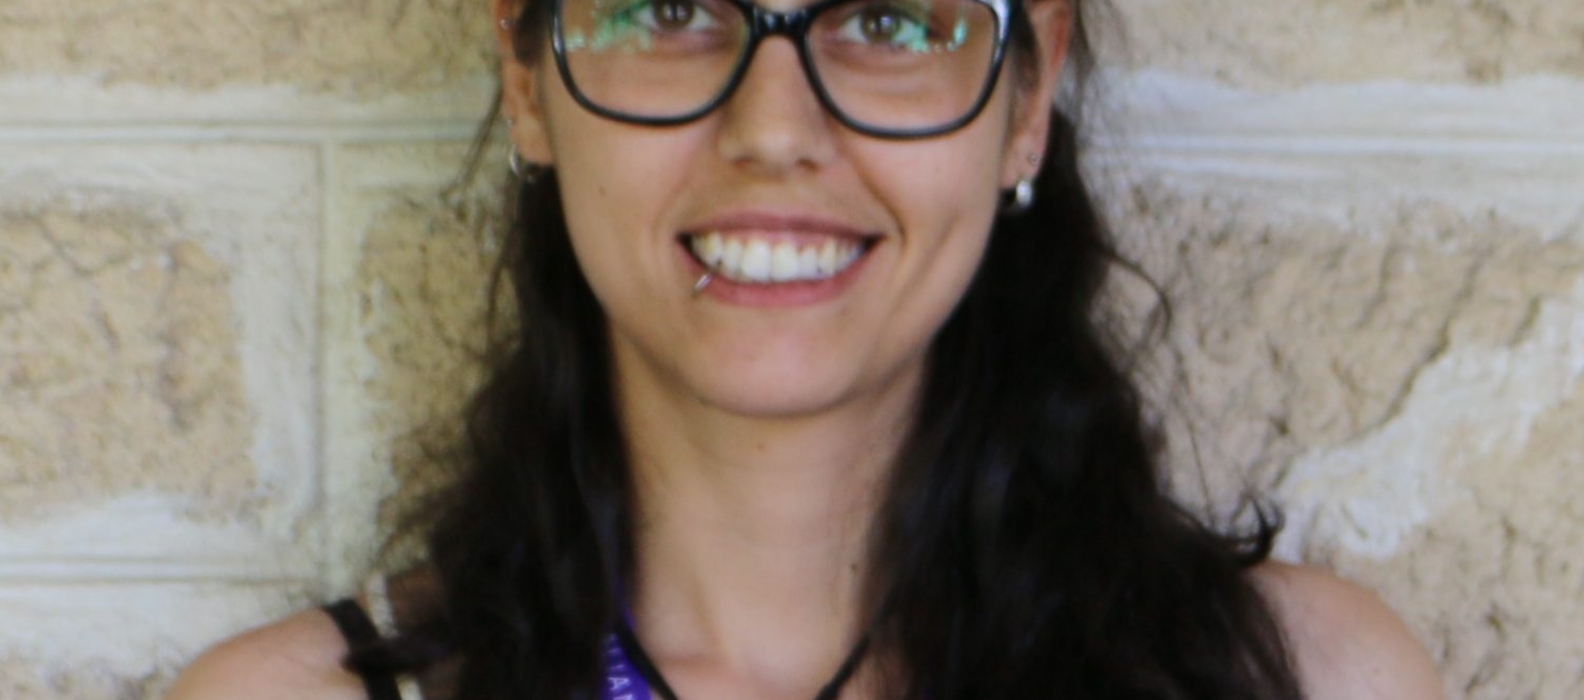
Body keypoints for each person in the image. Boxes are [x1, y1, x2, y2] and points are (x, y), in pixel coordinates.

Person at [167, 0, 1447, 698]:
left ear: (1026, 95)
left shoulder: (1307, 685)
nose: (772, 128)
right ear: (525, 70)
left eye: (888, 21)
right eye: (672, 7)